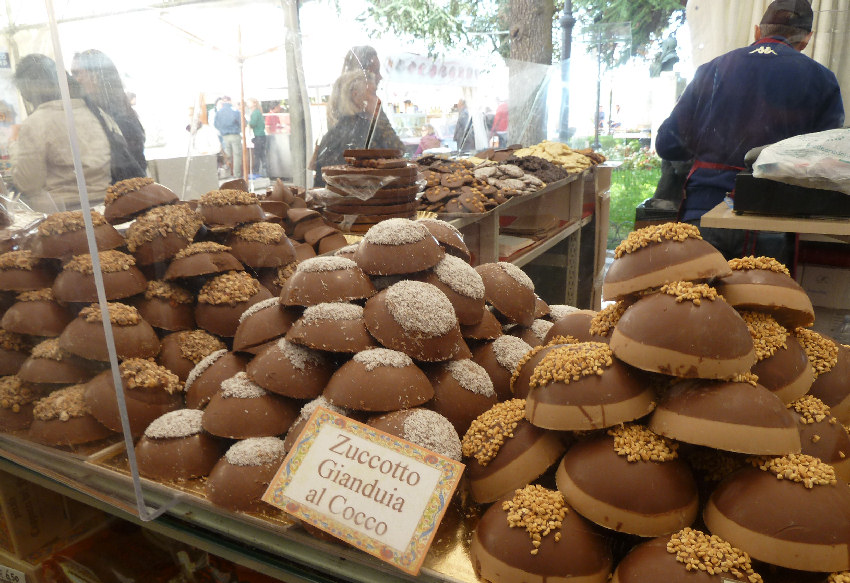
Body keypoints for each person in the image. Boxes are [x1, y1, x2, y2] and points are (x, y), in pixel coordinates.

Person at [655, 0, 844, 265]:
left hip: (704, 212)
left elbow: (667, 144)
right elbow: (828, 164)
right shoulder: (822, 79)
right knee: (764, 304)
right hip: (771, 220)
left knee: (694, 301)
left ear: (758, 31)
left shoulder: (712, 69)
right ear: (807, 39)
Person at [9, 54, 111, 213]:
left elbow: (28, 182)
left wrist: (14, 147)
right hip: (106, 210)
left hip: (63, 219)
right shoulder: (93, 112)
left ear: (27, 91)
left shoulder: (36, 123)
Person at [311, 46, 403, 186]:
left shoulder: (337, 126)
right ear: (356, 95)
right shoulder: (366, 128)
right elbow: (398, 152)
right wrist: (377, 114)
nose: (380, 76)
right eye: (375, 71)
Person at [71, 49, 147, 173]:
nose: (75, 80)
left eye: (77, 73)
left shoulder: (119, 118)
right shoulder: (90, 112)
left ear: (95, 75)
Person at [214, 96, 243, 178]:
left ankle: (227, 174)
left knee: (227, 156)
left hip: (225, 137)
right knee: (237, 156)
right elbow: (243, 122)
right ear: (230, 101)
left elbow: (216, 124)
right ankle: (237, 175)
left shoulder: (219, 112)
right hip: (235, 135)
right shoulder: (235, 110)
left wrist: (222, 130)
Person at [245, 98, 266, 178]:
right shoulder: (258, 112)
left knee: (257, 155)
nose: (247, 104)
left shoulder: (255, 113)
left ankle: (256, 172)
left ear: (254, 103)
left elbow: (252, 123)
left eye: (249, 102)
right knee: (262, 155)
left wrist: (248, 125)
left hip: (258, 136)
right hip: (261, 136)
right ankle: (264, 172)